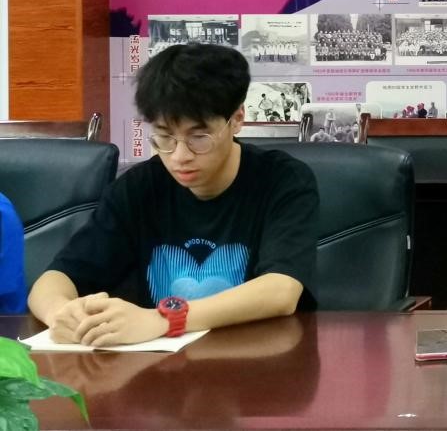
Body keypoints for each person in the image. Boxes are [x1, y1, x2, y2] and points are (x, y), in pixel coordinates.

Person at [27, 43, 319, 346]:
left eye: (199, 137)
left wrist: (164, 319)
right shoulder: (139, 188)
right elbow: (53, 281)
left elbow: (281, 290)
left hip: (260, 359)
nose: (180, 156)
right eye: (165, 137)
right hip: (160, 364)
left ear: (236, 119)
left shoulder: (283, 180)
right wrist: (61, 314)